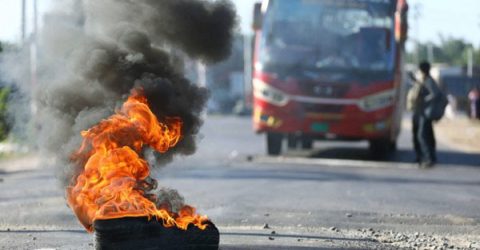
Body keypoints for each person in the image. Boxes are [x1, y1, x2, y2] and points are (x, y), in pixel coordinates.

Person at [408, 61, 440, 168]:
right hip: (419, 111)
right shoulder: (423, 80)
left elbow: (434, 94)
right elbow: (420, 88)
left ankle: (428, 159)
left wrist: (423, 100)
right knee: (421, 135)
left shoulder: (429, 81)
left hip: (424, 113)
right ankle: (421, 157)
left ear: (422, 70)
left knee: (422, 135)